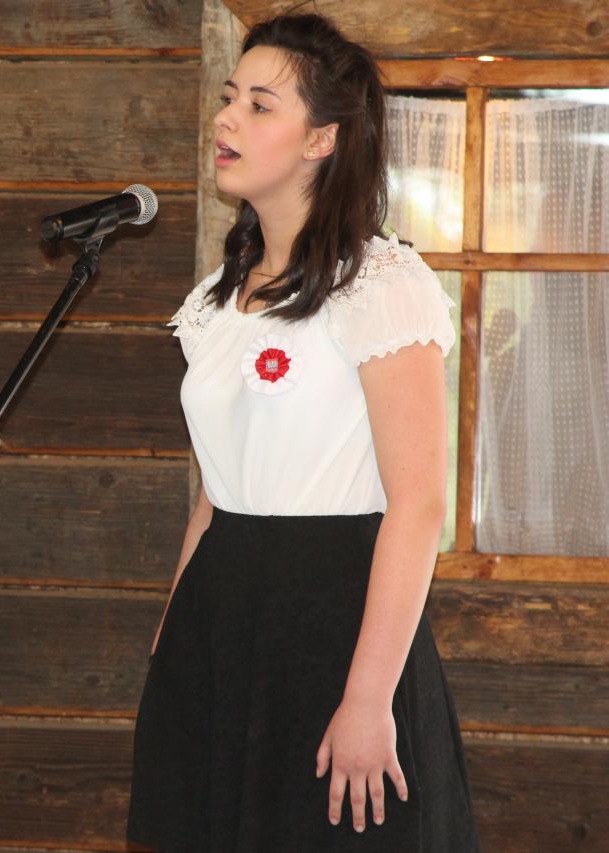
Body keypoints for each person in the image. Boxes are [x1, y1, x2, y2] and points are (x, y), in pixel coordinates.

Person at [128, 14, 479, 852]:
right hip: (220, 609)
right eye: (228, 98)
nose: (226, 119)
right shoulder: (217, 300)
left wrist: (367, 698)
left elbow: (419, 505)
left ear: (322, 139)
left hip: (335, 614)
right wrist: (171, 640)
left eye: (259, 104)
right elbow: (213, 495)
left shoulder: (380, 282)